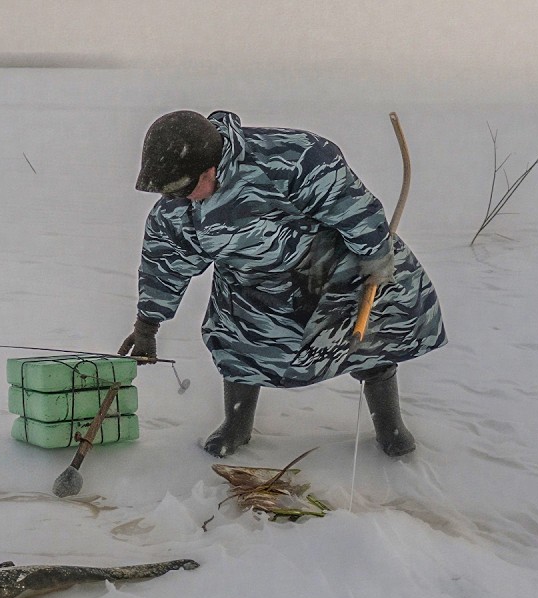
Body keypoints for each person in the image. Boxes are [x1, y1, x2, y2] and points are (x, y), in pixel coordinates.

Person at [119, 110, 446, 457]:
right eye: (170, 193)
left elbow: (352, 206)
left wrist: (375, 255)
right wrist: (147, 325)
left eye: (184, 188)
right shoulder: (178, 208)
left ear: (210, 168)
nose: (180, 199)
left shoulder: (294, 157)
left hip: (329, 266)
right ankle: (237, 426)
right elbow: (164, 262)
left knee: (368, 341)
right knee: (238, 345)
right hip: (249, 283)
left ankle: (390, 427)